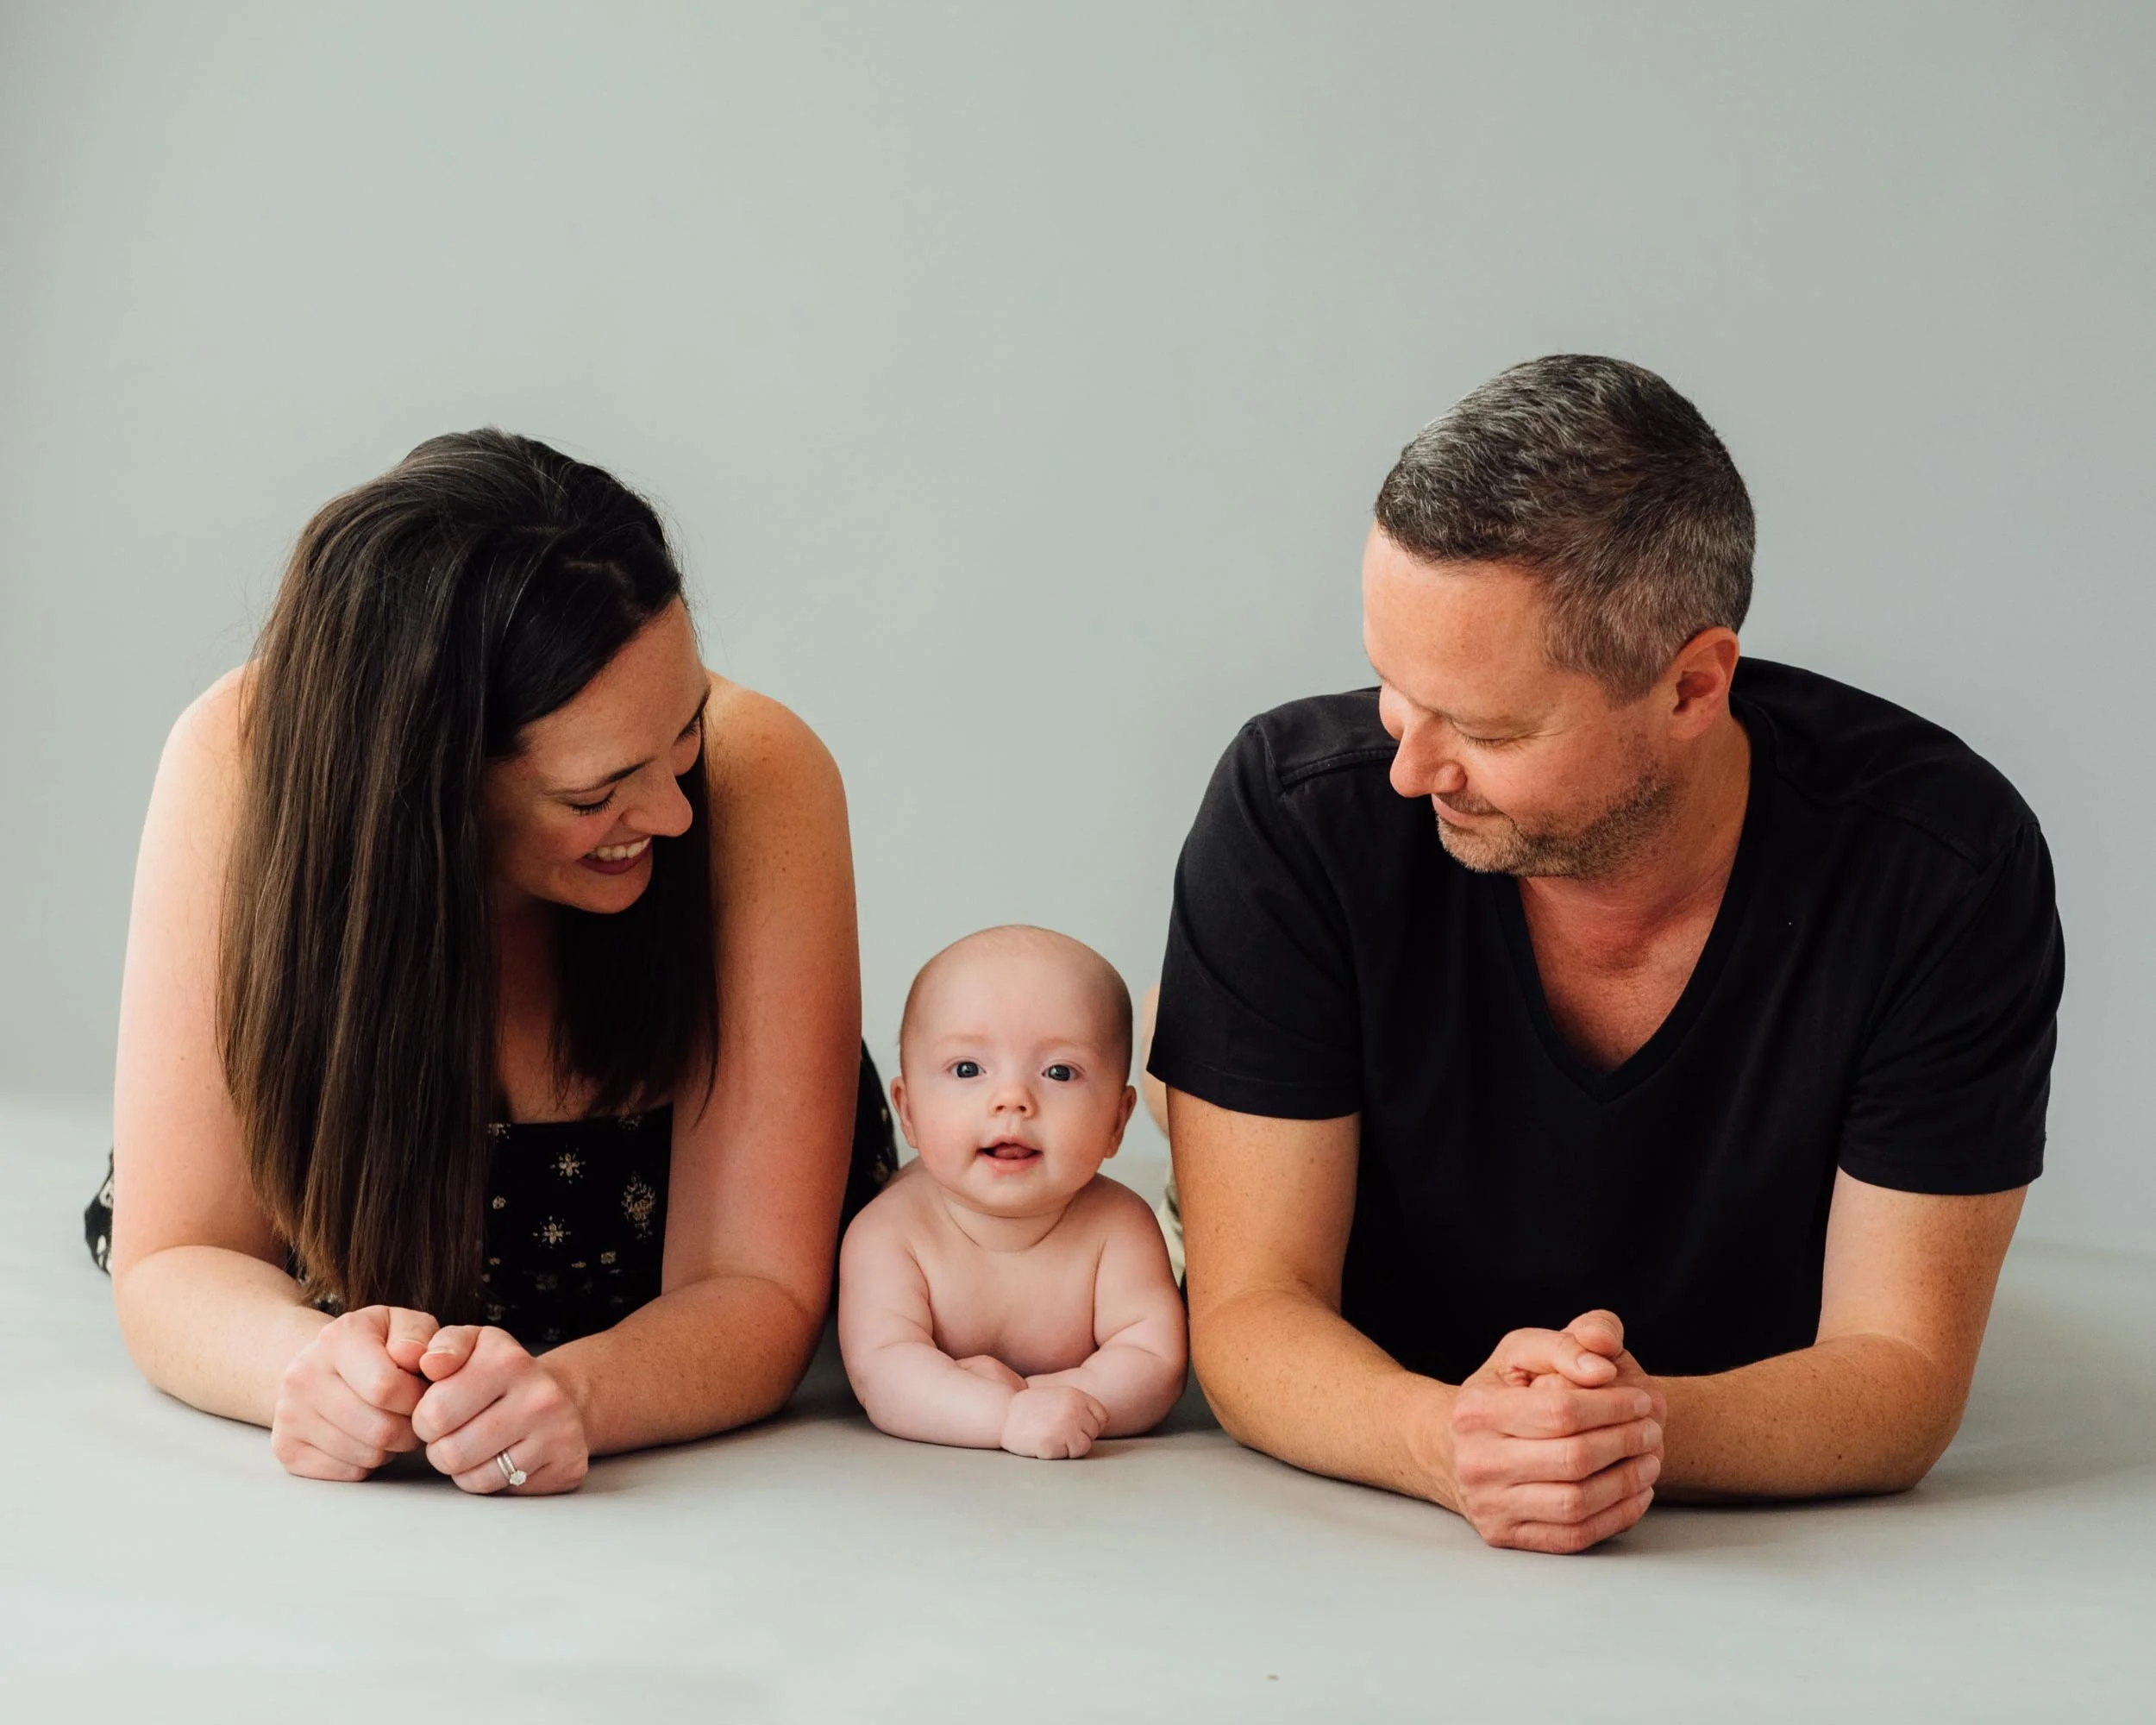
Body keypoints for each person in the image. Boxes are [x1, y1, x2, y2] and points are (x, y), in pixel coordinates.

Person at [1147, 355, 2065, 1553]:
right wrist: (1450, 1443)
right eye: (1392, 688)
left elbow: (1896, 1376)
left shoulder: (1941, 864)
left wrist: (1620, 1438)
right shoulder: (1297, 814)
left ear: (1693, 686)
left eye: (1486, 727)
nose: (1410, 769)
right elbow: (1250, 1311)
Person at [94, 430, 893, 1495]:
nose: (670, 809)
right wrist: (303, 1368)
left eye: (686, 727)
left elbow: (752, 1283)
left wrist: (586, 1398)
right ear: (431, 790)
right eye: (593, 792)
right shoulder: (236, 762)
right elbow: (174, 1258)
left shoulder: (764, 771)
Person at [837, 926, 1186, 1458]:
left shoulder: (1120, 1229)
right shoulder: (889, 1234)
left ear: (1117, 1121)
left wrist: (1046, 1401)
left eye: (1059, 1072)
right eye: (968, 1069)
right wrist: (1002, 1416)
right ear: (907, 1112)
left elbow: (1155, 1362)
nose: (1012, 1100)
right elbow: (883, 1370)